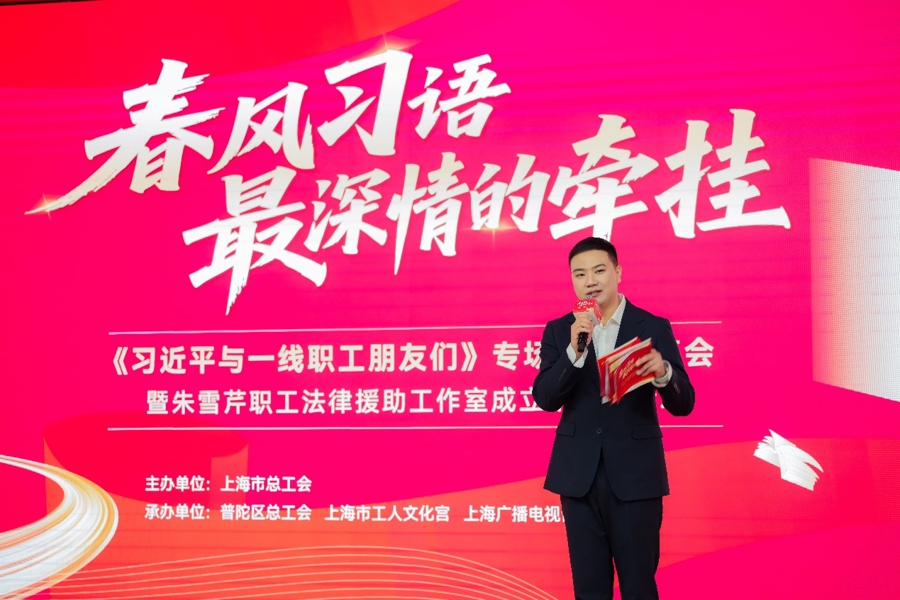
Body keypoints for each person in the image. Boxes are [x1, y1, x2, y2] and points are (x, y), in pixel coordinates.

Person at [533, 236, 695, 600]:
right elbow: (545, 398)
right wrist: (575, 352)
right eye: (579, 274)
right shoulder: (561, 330)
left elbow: (684, 403)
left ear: (618, 272)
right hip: (579, 477)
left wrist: (663, 372)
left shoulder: (652, 326)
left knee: (638, 586)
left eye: (599, 270)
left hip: (636, 477)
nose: (590, 281)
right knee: (589, 588)